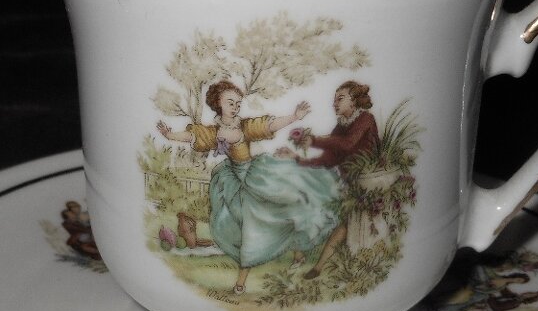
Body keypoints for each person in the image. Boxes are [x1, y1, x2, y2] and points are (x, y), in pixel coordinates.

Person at [156, 80, 339, 294]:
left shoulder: (244, 127)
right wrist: (170, 135)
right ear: (218, 103)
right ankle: (290, 256)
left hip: (254, 176)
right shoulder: (214, 132)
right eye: (230, 102)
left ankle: (250, 276)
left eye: (238, 103)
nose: (235, 107)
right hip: (233, 180)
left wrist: (294, 116)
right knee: (242, 224)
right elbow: (192, 136)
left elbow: (269, 126)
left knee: (270, 216)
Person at [276, 81, 379, 279]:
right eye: (334, 100)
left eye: (340, 99)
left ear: (354, 101)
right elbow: (328, 159)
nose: (334, 104)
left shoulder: (365, 119)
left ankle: (324, 267)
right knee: (334, 217)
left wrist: (314, 140)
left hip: (370, 182)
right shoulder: (340, 127)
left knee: (347, 223)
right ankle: (317, 266)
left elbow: (348, 144)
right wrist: (297, 159)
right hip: (351, 183)